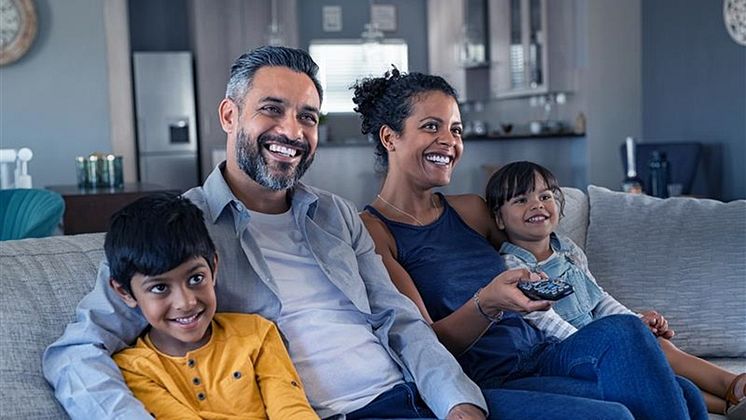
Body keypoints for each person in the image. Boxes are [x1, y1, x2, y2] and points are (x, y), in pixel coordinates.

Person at [43, 45, 491, 420]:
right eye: (272, 110)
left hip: (413, 397)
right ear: (229, 115)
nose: (292, 132)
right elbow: (77, 351)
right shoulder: (175, 229)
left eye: (308, 117)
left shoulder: (333, 213)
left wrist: (457, 404)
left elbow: (399, 319)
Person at [354, 68, 709, 420]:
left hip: (545, 355)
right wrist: (488, 303)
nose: (449, 140)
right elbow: (424, 344)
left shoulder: (471, 210)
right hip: (481, 381)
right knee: (619, 412)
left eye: (456, 130)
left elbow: (541, 260)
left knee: (672, 378)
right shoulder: (374, 231)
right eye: (432, 126)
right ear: (390, 137)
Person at [486, 160, 746, 419]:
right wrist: (609, 346)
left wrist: (636, 324)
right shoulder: (512, 266)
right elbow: (545, 322)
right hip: (561, 350)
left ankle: (730, 402)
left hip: (596, 341)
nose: (537, 204)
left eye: (545, 196)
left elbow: (598, 299)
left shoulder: (568, 250)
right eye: (521, 200)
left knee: (662, 357)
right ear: (498, 218)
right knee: (646, 353)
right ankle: (733, 386)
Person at [105, 193, 317, 419]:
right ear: (124, 292)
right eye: (159, 288)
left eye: (195, 279)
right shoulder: (133, 369)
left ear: (214, 268)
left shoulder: (257, 333)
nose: (186, 302)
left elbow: (291, 409)